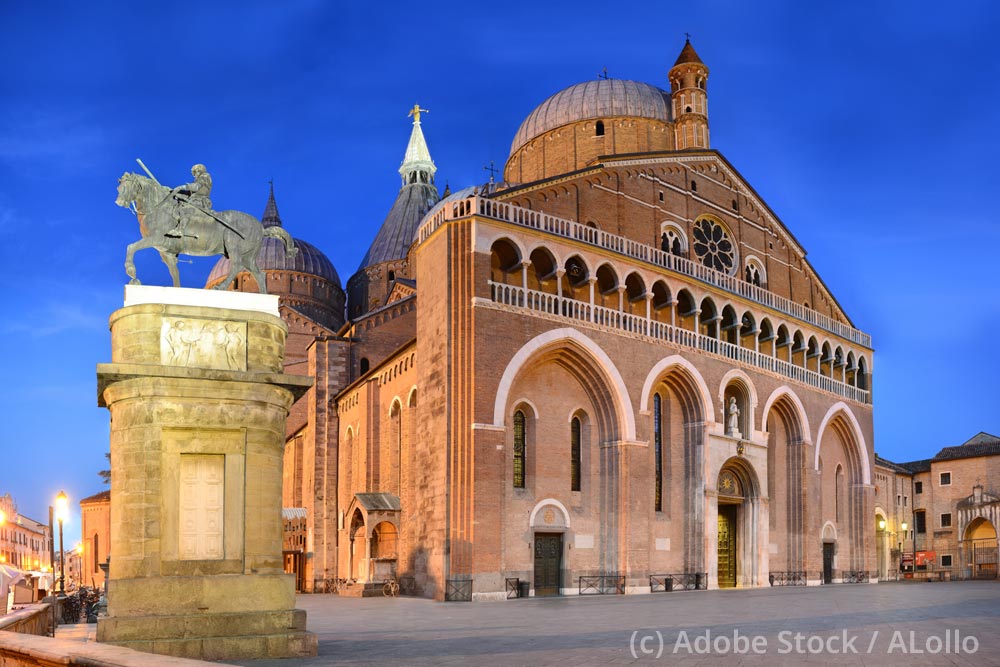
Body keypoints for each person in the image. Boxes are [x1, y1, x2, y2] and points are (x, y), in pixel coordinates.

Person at [165, 164, 213, 238]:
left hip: (201, 201)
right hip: (194, 199)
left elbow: (196, 187)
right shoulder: (198, 179)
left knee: (186, 209)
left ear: (199, 171)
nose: (194, 175)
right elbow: (189, 193)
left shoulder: (205, 176)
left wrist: (182, 187)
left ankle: (180, 230)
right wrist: (176, 192)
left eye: (195, 172)